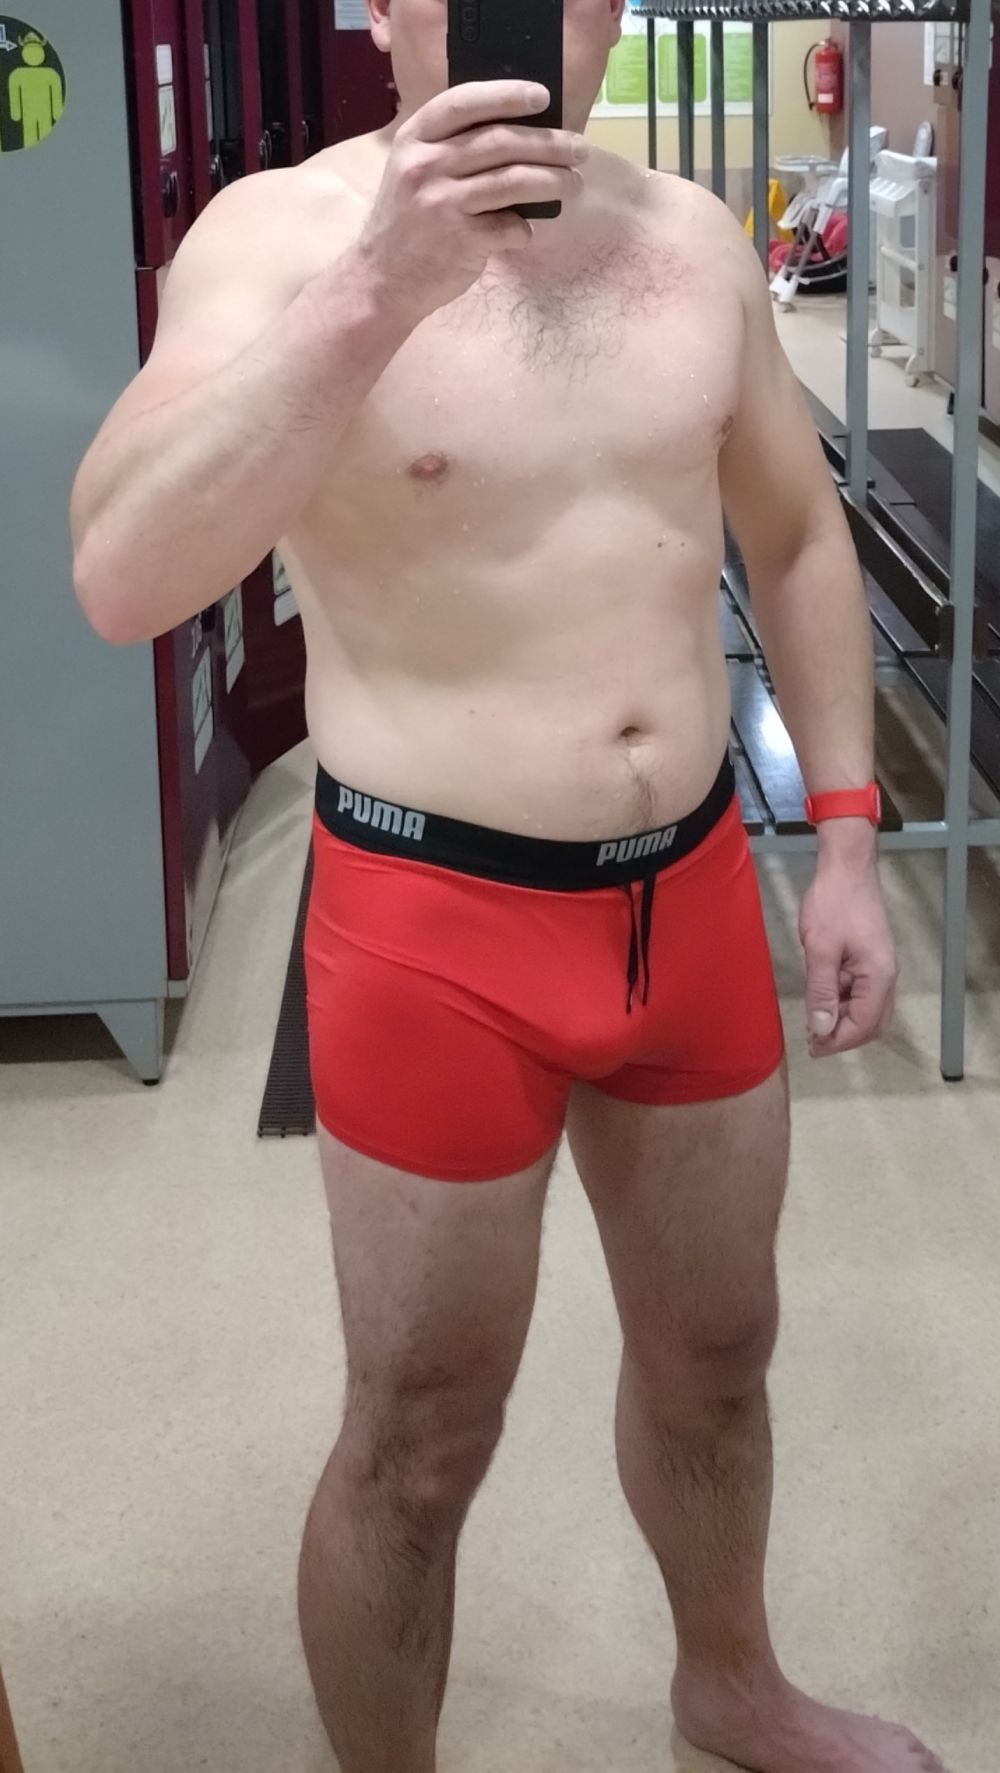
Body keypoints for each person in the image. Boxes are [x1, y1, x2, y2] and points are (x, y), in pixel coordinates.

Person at [70, 2, 941, 1768]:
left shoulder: (690, 241)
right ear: (385, 10)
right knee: (417, 1438)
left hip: (691, 896)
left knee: (721, 1352)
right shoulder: (277, 241)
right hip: (433, 929)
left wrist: (847, 833)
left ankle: (729, 1681)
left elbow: (792, 533)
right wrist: (371, 295)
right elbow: (122, 574)